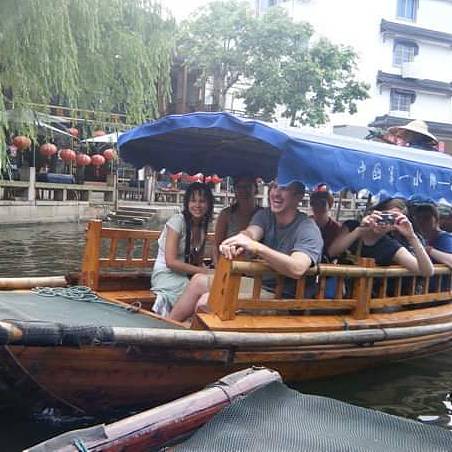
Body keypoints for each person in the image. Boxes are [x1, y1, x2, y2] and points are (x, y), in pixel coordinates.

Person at [169, 180, 323, 322]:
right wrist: (237, 241)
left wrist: (256, 247)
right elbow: (251, 232)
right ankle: (167, 329)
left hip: (284, 297)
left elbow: (297, 268)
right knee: (197, 281)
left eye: (283, 188)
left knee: (207, 300)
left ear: (299, 196)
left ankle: (197, 344)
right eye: (274, 186)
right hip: (259, 285)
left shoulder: (307, 229)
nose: (276, 193)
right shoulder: (266, 215)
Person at [328, 200, 434, 281]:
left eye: (393, 219)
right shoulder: (351, 226)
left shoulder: (390, 246)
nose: (386, 222)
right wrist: (360, 230)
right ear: (375, 213)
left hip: (367, 300)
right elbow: (332, 252)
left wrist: (411, 236)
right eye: (384, 216)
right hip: (338, 291)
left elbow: (427, 271)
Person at [151, 182, 214, 317]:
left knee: (207, 289)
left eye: (202, 201)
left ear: (209, 205)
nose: (197, 205)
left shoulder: (203, 226)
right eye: (193, 201)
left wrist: (210, 270)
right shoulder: (177, 221)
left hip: (185, 274)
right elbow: (171, 262)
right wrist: (204, 271)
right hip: (166, 273)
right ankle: (173, 322)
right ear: (187, 203)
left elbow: (197, 261)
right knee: (193, 288)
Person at [213, 176, 260, 265]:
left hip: (256, 270)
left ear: (255, 189)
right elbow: (216, 246)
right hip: (229, 266)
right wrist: (217, 269)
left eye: (247, 187)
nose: (243, 191)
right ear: (235, 191)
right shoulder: (226, 214)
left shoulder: (263, 215)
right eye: (239, 187)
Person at [412, 203, 452, 268]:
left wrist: (429, 250)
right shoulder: (421, 238)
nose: (421, 221)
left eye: (426, 218)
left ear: (436, 220)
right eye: (418, 218)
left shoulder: (444, 238)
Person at [309, 183, 341, 259]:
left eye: (322, 203)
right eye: (314, 203)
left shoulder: (336, 228)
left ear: (329, 206)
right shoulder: (305, 224)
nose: (318, 206)